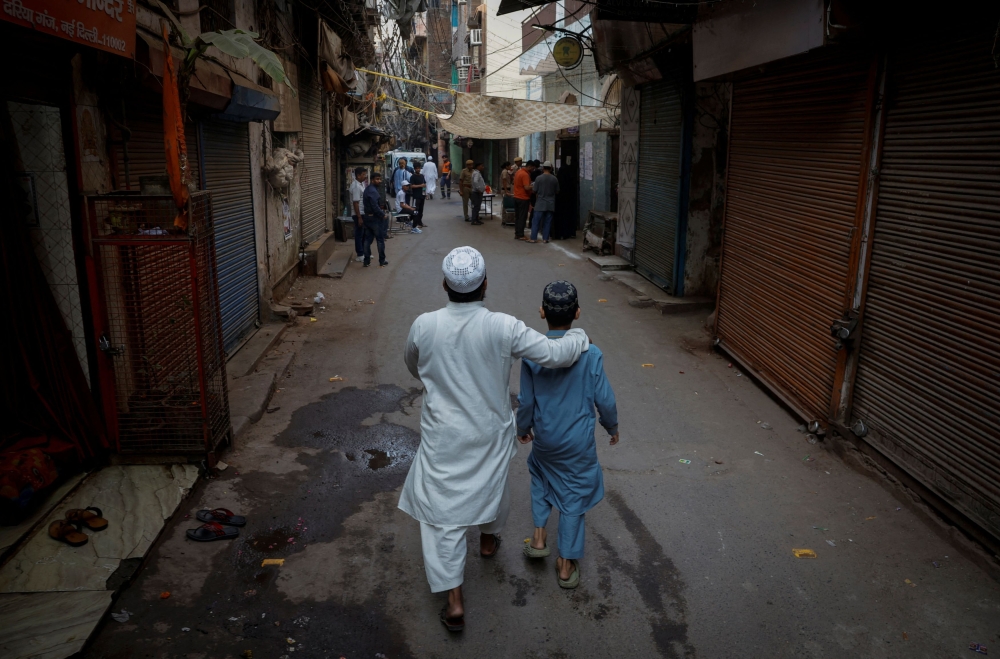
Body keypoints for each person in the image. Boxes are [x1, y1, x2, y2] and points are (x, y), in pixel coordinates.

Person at [400, 246, 592, 632]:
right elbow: (554, 354)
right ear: (485, 284)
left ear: (445, 285)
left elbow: (413, 363)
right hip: (489, 433)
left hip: (443, 437)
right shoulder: (504, 327)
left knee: (445, 518)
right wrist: (580, 337)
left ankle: (454, 603)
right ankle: (488, 542)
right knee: (491, 486)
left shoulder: (424, 325)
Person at [517, 280, 618, 590]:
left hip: (546, 440)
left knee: (540, 472)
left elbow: (526, 402)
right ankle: (565, 564)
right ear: (577, 312)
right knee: (573, 495)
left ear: (541, 312)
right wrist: (612, 427)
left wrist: (523, 429)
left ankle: (538, 537)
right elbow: (606, 400)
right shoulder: (592, 353)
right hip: (579, 444)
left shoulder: (533, 354)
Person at [361, 172, 388, 267]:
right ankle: (382, 260)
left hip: (367, 218)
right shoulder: (372, 191)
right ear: (372, 180)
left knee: (367, 240)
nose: (379, 181)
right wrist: (382, 214)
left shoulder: (368, 189)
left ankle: (366, 261)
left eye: (380, 179)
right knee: (380, 240)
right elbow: (375, 206)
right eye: (377, 179)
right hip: (374, 218)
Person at [529, 161, 560, 243]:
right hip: (550, 204)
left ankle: (533, 238)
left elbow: (534, 190)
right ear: (551, 168)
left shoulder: (538, 178)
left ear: (543, 168)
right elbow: (557, 191)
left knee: (536, 221)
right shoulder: (554, 179)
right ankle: (545, 238)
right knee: (547, 222)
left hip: (540, 203)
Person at [512, 160, 534, 241]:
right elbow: (526, 187)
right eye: (533, 168)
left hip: (516, 197)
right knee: (522, 217)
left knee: (517, 217)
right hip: (523, 198)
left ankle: (517, 233)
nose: (533, 170)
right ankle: (521, 235)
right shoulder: (525, 174)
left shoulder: (519, 172)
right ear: (530, 166)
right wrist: (533, 186)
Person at [349, 167, 367, 262]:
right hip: (358, 213)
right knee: (359, 234)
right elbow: (355, 202)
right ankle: (360, 254)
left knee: (363, 233)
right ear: (358, 175)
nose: (365, 176)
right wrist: (359, 217)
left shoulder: (361, 184)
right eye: (364, 174)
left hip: (362, 212)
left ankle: (363, 252)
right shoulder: (356, 186)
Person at [408, 162, 427, 230]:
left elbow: (424, 184)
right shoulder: (413, 177)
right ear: (414, 169)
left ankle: (420, 222)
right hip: (416, 196)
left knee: (421, 210)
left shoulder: (422, 176)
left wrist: (425, 193)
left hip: (422, 195)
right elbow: (411, 186)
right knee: (416, 210)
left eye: (419, 168)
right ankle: (414, 223)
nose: (418, 169)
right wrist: (420, 185)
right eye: (416, 168)